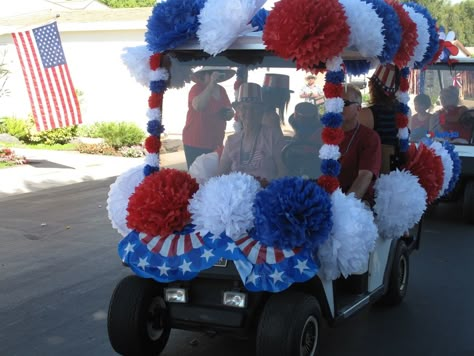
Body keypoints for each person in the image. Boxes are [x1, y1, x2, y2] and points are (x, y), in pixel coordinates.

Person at [218, 83, 287, 181]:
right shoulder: (231, 141)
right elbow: (219, 176)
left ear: (262, 110)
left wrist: (270, 191)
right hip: (235, 195)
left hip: (266, 193)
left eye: (254, 108)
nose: (249, 113)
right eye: (244, 108)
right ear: (238, 111)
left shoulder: (273, 136)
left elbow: (283, 173)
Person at [182, 66, 236, 168]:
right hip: (195, 142)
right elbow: (199, 106)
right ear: (204, 75)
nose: (215, 75)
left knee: (213, 175)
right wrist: (211, 84)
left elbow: (229, 109)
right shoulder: (197, 88)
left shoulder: (221, 90)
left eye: (217, 72)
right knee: (198, 177)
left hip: (215, 142)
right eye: (211, 73)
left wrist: (230, 113)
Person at [340, 84, 382, 204]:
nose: (337, 106)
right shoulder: (321, 133)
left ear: (358, 109)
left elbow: (365, 176)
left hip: (354, 203)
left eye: (344, 103)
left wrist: (345, 206)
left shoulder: (369, 138)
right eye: (334, 101)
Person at [358, 63, 404, 172]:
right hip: (398, 169)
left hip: (375, 169)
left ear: (373, 87)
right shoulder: (404, 111)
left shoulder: (368, 113)